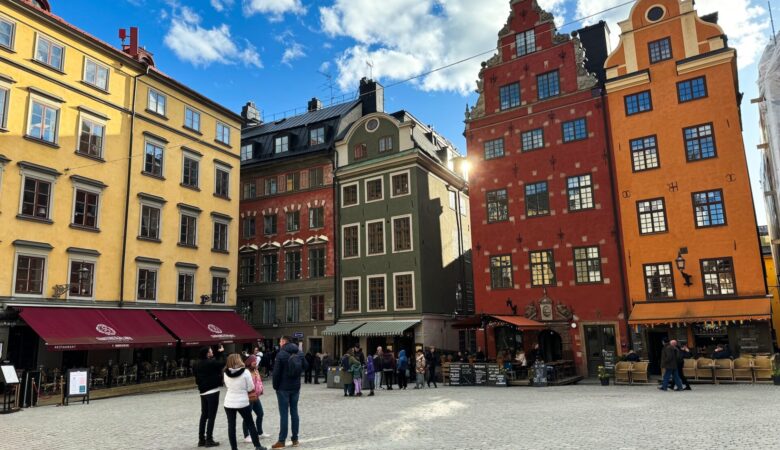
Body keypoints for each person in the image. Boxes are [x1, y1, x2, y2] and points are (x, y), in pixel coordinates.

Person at [223, 353, 266, 450]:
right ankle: (257, 446)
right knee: (250, 423)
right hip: (242, 401)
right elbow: (251, 387)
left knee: (231, 426)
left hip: (229, 402)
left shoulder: (225, 372)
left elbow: (227, 385)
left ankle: (234, 448)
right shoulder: (245, 372)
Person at [271, 336, 308, 449]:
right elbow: (306, 366)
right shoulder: (299, 353)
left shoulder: (281, 354)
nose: (279, 342)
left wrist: (275, 386)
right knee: (294, 412)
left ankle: (281, 441)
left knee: (284, 414)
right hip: (296, 387)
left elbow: (276, 373)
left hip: (283, 388)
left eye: (280, 341)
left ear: (283, 342)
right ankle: (295, 439)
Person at [195, 344, 224, 448]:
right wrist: (220, 353)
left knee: (204, 416)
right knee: (211, 416)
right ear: (208, 353)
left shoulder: (197, 364)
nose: (212, 352)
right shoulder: (210, 363)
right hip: (212, 391)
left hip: (202, 392)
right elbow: (221, 364)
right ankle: (209, 439)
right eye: (211, 351)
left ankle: (201, 439)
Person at [242, 355, 271, 443]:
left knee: (260, 413)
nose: (256, 363)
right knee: (247, 416)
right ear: (249, 362)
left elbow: (258, 382)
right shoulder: (246, 372)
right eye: (254, 362)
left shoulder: (255, 370)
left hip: (256, 396)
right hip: (249, 397)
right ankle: (246, 435)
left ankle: (260, 432)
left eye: (256, 362)